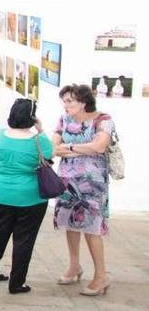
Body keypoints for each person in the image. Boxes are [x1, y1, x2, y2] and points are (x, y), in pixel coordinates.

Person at [0, 99, 53, 294]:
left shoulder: (3, 135)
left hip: (3, 192)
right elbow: (49, 154)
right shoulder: (37, 140)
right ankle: (17, 282)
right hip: (30, 197)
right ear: (32, 117)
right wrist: (41, 129)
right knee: (24, 239)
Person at [52, 84, 114, 296]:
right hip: (68, 181)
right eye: (64, 101)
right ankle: (74, 265)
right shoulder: (64, 120)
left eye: (70, 101)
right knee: (70, 223)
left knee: (92, 227)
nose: (65, 105)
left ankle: (101, 275)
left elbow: (99, 147)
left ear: (83, 102)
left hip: (93, 184)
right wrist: (82, 148)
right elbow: (53, 147)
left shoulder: (103, 120)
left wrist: (69, 149)